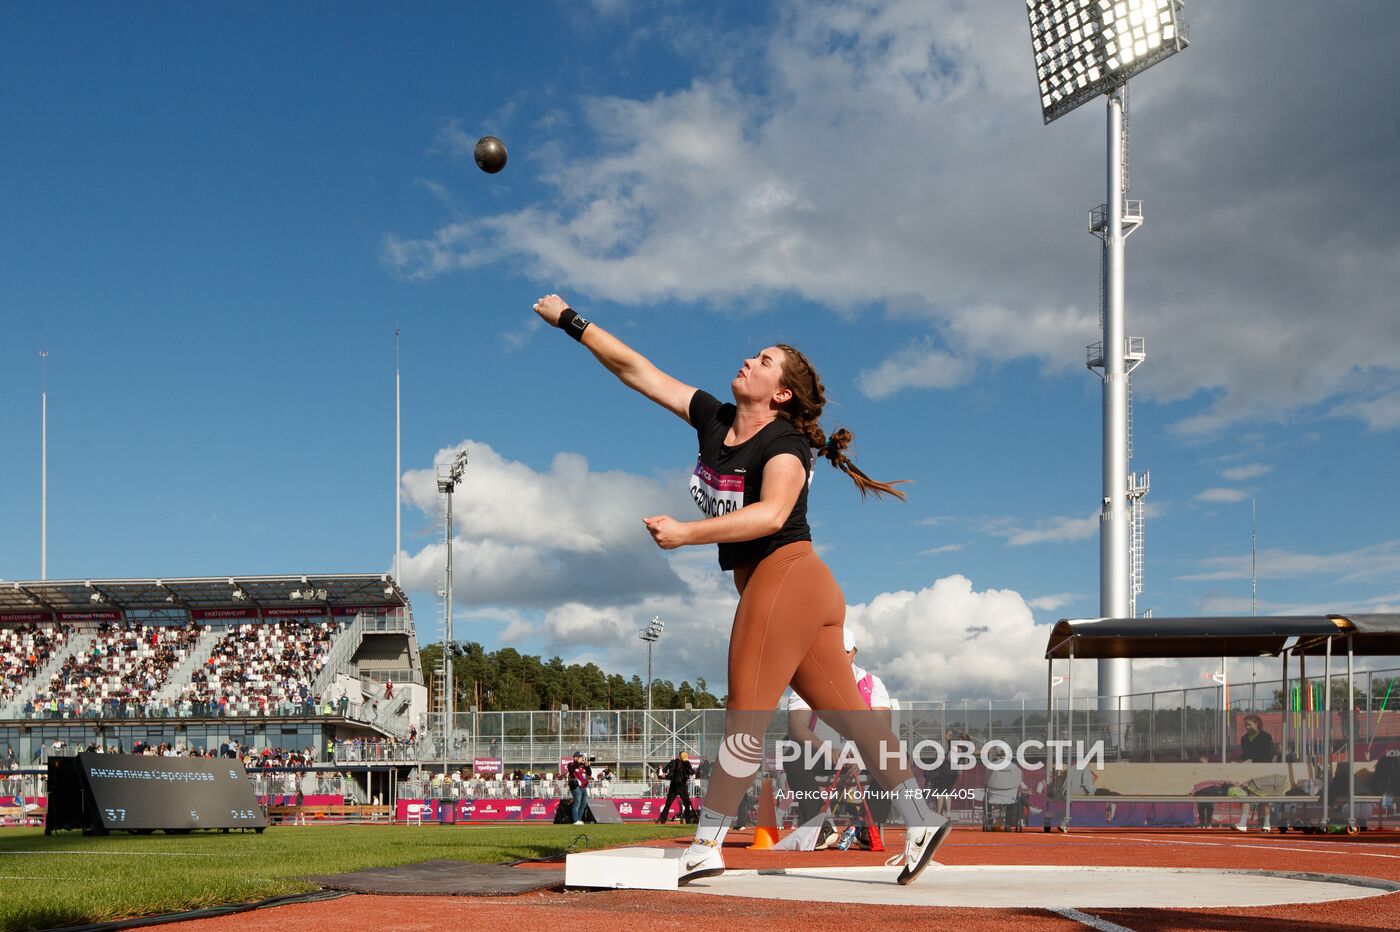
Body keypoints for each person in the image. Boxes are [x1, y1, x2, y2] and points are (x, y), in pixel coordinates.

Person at [530, 294, 950, 886]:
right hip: (799, 591)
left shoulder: (785, 445)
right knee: (850, 718)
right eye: (753, 354)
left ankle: (705, 846)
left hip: (788, 578)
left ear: (781, 393)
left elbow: (773, 515)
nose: (749, 361)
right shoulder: (715, 419)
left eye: (764, 360)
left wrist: (686, 534)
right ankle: (921, 814)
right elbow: (638, 371)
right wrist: (572, 322)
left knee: (745, 709)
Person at [783, 628, 895, 849]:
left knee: (893, 756)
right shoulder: (807, 680)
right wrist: (829, 752)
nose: (839, 657)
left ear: (854, 652)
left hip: (863, 753)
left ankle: (866, 826)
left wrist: (864, 757)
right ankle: (821, 827)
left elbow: (883, 730)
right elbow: (797, 728)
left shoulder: (872, 683)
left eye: (845, 652)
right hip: (822, 754)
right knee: (793, 756)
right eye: (834, 652)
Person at [1235, 713, 1275, 833]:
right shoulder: (1244, 738)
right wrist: (1243, 761)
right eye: (1245, 725)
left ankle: (1267, 824)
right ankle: (1242, 823)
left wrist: (1258, 762)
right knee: (1246, 795)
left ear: (1256, 723)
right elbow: (1245, 754)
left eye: (1249, 725)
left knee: (1264, 796)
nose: (1247, 727)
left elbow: (1270, 753)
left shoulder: (1266, 736)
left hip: (1263, 770)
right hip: (1249, 771)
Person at [658, 752, 697, 824]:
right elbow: (691, 772)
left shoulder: (672, 762)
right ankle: (688, 821)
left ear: (679, 756)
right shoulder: (686, 763)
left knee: (668, 804)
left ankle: (663, 820)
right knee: (686, 804)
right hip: (682, 785)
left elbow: (664, 770)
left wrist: (665, 774)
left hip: (673, 784)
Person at [565, 750, 592, 825]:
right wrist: (577, 762)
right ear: (575, 758)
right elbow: (571, 770)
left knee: (583, 804)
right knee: (577, 803)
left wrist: (587, 765)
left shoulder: (583, 765)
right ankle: (575, 820)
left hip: (584, 787)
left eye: (582, 757)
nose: (581, 758)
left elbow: (589, 773)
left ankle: (579, 819)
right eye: (580, 757)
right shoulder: (571, 764)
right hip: (576, 786)